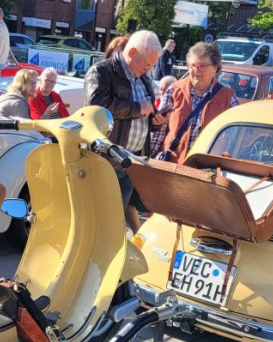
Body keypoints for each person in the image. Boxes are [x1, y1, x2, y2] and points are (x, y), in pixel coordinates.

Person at [84, 29, 164, 233]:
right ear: (132, 52)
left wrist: (156, 120)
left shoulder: (144, 79)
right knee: (100, 219)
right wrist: (138, 108)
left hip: (132, 161)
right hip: (107, 160)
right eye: (146, 63)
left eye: (151, 66)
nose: (147, 69)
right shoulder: (102, 71)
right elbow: (97, 106)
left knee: (116, 217)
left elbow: (146, 115)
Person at [157, 42, 237, 164]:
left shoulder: (228, 98)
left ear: (215, 68)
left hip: (206, 170)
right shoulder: (174, 90)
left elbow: (235, 138)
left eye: (202, 66)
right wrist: (152, 159)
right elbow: (159, 129)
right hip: (172, 165)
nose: (195, 70)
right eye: (192, 65)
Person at [149, 75, 177, 157]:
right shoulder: (153, 105)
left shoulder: (172, 110)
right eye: (161, 89)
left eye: (168, 89)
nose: (164, 92)